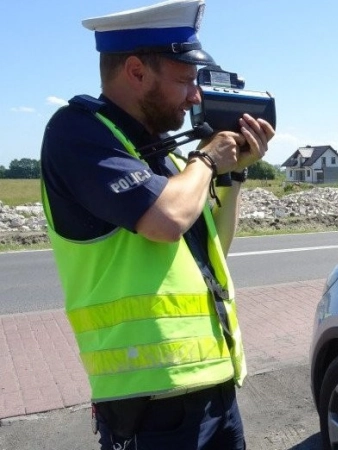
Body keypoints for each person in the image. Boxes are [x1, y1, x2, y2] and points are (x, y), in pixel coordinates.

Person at [39, 0, 274, 448]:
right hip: (149, 405)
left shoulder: (162, 155)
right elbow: (166, 221)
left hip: (213, 387)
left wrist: (233, 172)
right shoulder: (80, 133)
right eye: (185, 80)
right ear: (135, 71)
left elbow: (214, 249)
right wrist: (206, 159)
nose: (196, 97)